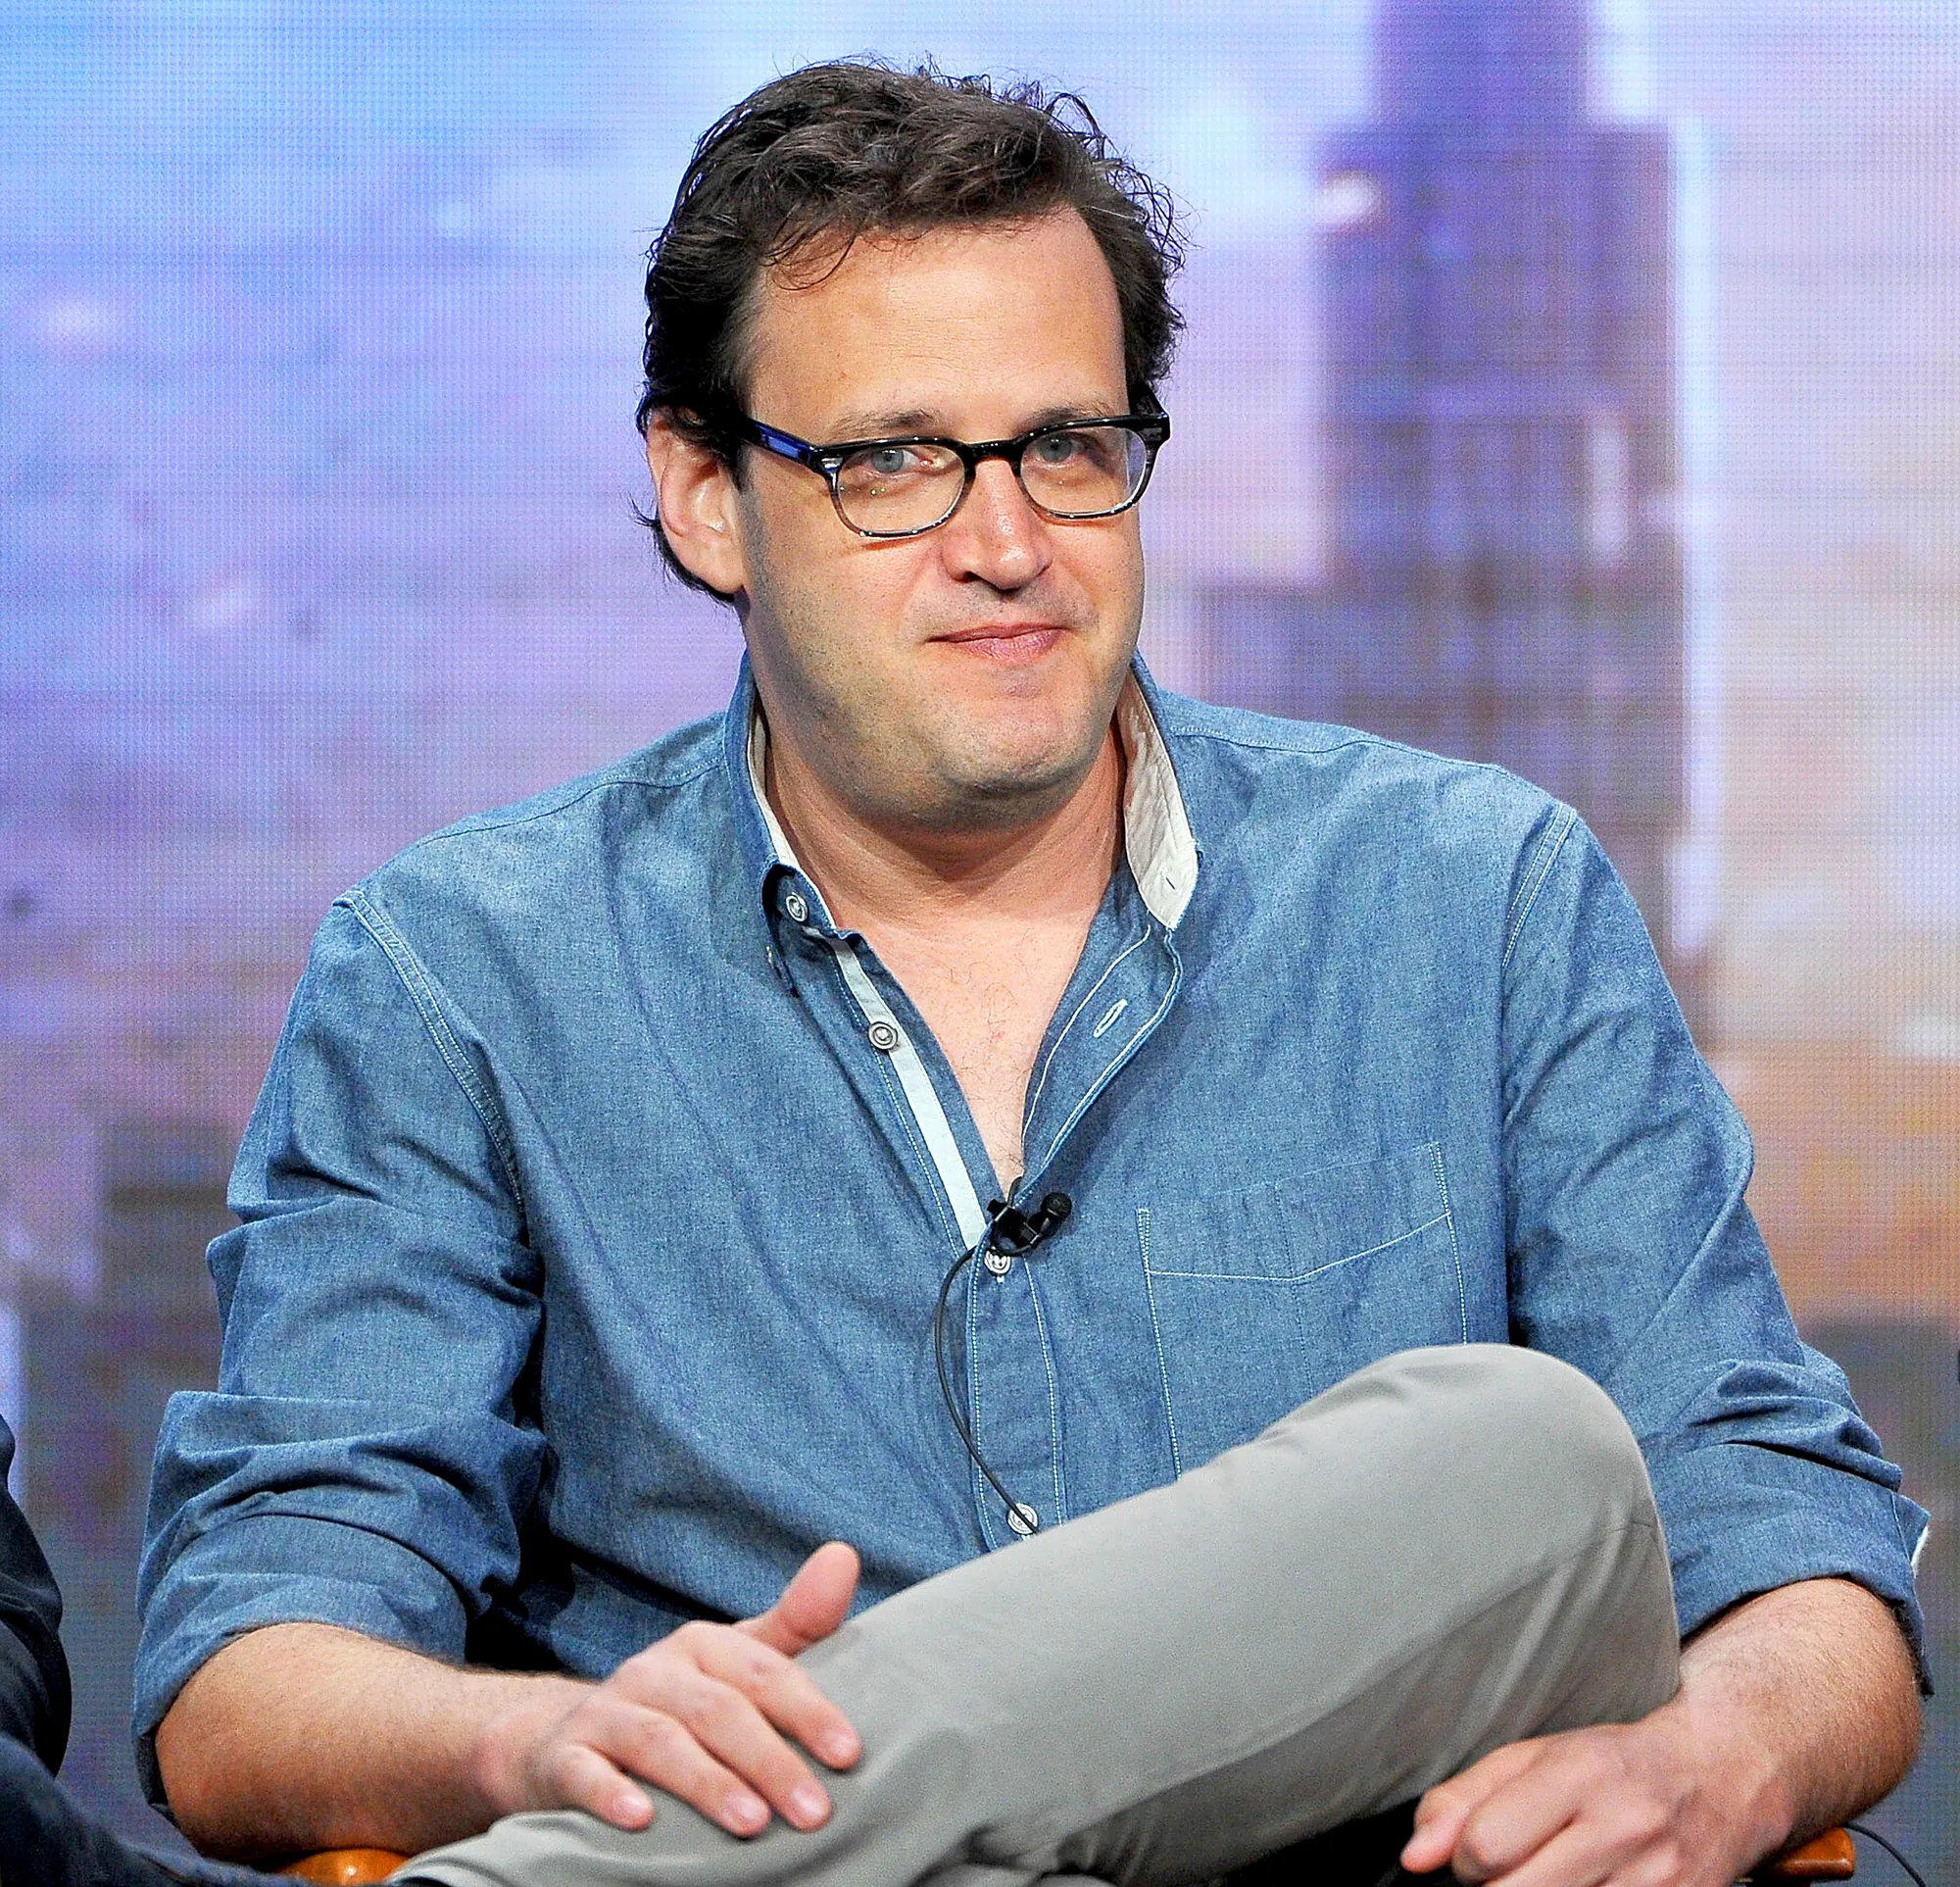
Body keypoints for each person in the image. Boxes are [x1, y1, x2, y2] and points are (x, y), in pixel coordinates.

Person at [136, 62, 1925, 1887]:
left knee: (1524, 1464)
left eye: (1069, 447)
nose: (1008, 547)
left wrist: (1723, 1763)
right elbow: (246, 1685)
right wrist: (541, 1740)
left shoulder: (1476, 901)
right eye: (897, 463)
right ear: (703, 497)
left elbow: (1790, 1547)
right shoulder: (460, 978)